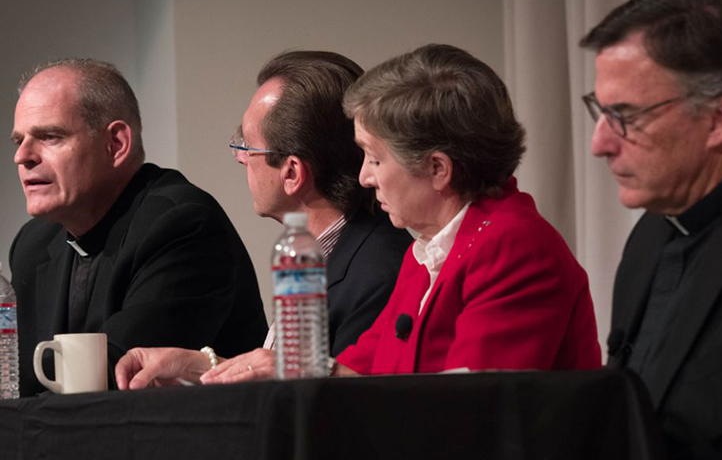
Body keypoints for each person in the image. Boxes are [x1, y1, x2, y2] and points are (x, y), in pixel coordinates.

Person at [115, 51, 411, 389]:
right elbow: (283, 374)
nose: (238, 157)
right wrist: (199, 367)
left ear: (292, 173)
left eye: (247, 146)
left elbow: (335, 407)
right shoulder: (326, 253)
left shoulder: (378, 273)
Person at [333, 44, 601, 375]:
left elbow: (469, 406)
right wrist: (288, 371)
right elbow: (363, 367)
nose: (364, 178)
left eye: (374, 159)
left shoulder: (514, 247)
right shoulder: (430, 248)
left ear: (437, 169)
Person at [9, 58, 268, 396]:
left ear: (116, 144)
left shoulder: (183, 226)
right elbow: (13, 377)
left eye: (50, 136)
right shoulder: (33, 243)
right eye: (18, 141)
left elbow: (113, 377)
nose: (23, 156)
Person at [580, 0, 722, 458]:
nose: (599, 143)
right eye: (601, 110)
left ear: (719, 119)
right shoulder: (653, 230)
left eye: (626, 116)